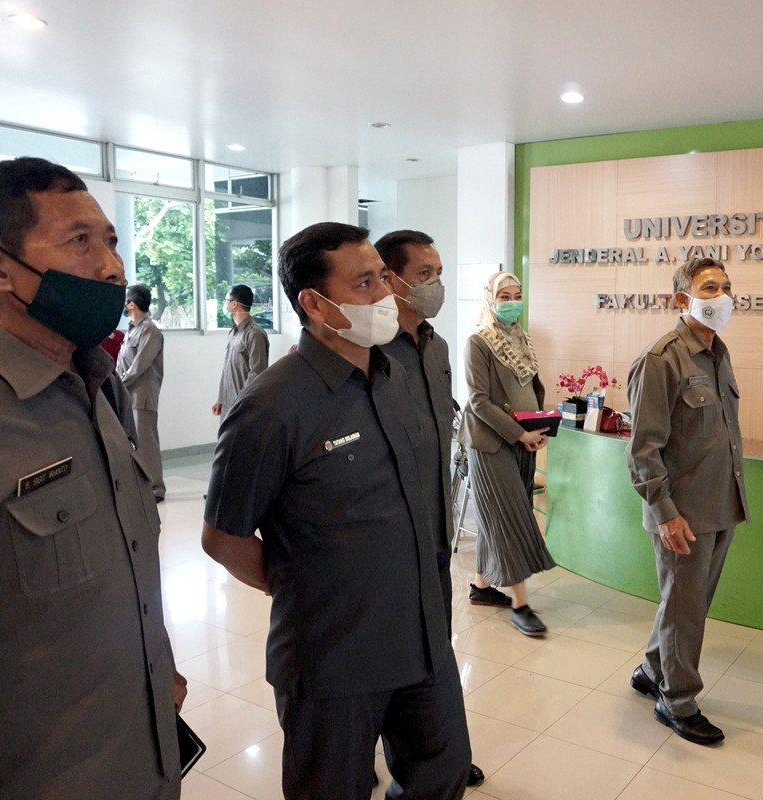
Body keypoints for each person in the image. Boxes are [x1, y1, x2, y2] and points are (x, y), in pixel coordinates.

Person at [201, 222, 471, 799]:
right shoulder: (271, 405)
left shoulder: (399, 379)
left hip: (423, 636)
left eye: (383, 278)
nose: (386, 294)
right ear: (316, 304)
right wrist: (304, 583)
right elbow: (222, 537)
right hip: (333, 654)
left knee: (443, 773)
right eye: (365, 283)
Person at [0, 157, 186, 799]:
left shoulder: (99, 389)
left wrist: (157, 660)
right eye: (80, 241)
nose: (112, 267)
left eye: (111, 241)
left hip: (144, 753)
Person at [376, 228, 486, 789]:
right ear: (390, 279)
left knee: (434, 649)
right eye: (425, 274)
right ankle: (366, 752)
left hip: (435, 534)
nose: (436, 284)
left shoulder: (437, 347)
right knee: (383, 659)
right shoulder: (369, 351)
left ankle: (436, 750)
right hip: (387, 542)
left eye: (439, 273)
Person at [625, 256, 749, 746]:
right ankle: (676, 700)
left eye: (726, 287)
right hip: (682, 514)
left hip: (721, 503)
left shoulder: (718, 353)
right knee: (686, 608)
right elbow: (643, 450)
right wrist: (666, 514)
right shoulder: (661, 359)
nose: (722, 296)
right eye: (710, 287)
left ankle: (651, 670)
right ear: (682, 299)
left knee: (686, 604)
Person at [460, 271, 555, 636]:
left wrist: (539, 428)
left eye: (517, 295)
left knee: (497, 514)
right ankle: (520, 604)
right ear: (491, 299)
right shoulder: (478, 342)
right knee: (510, 517)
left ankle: (481, 588)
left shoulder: (521, 340)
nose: (512, 302)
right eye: (504, 296)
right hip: (490, 444)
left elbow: (531, 389)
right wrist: (519, 433)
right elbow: (478, 401)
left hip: (522, 441)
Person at [116, 283, 166, 501]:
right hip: (129, 395)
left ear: (132, 304)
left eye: (125, 301)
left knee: (146, 443)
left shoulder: (149, 330)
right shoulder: (133, 329)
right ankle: (140, 486)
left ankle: (156, 489)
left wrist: (120, 383)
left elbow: (139, 365)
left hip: (142, 396)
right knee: (132, 444)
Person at [211, 282, 268, 419]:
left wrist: (240, 401)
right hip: (227, 405)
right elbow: (227, 369)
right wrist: (221, 399)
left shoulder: (255, 334)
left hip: (244, 407)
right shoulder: (233, 332)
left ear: (234, 304)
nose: (225, 305)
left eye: (226, 300)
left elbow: (257, 373)